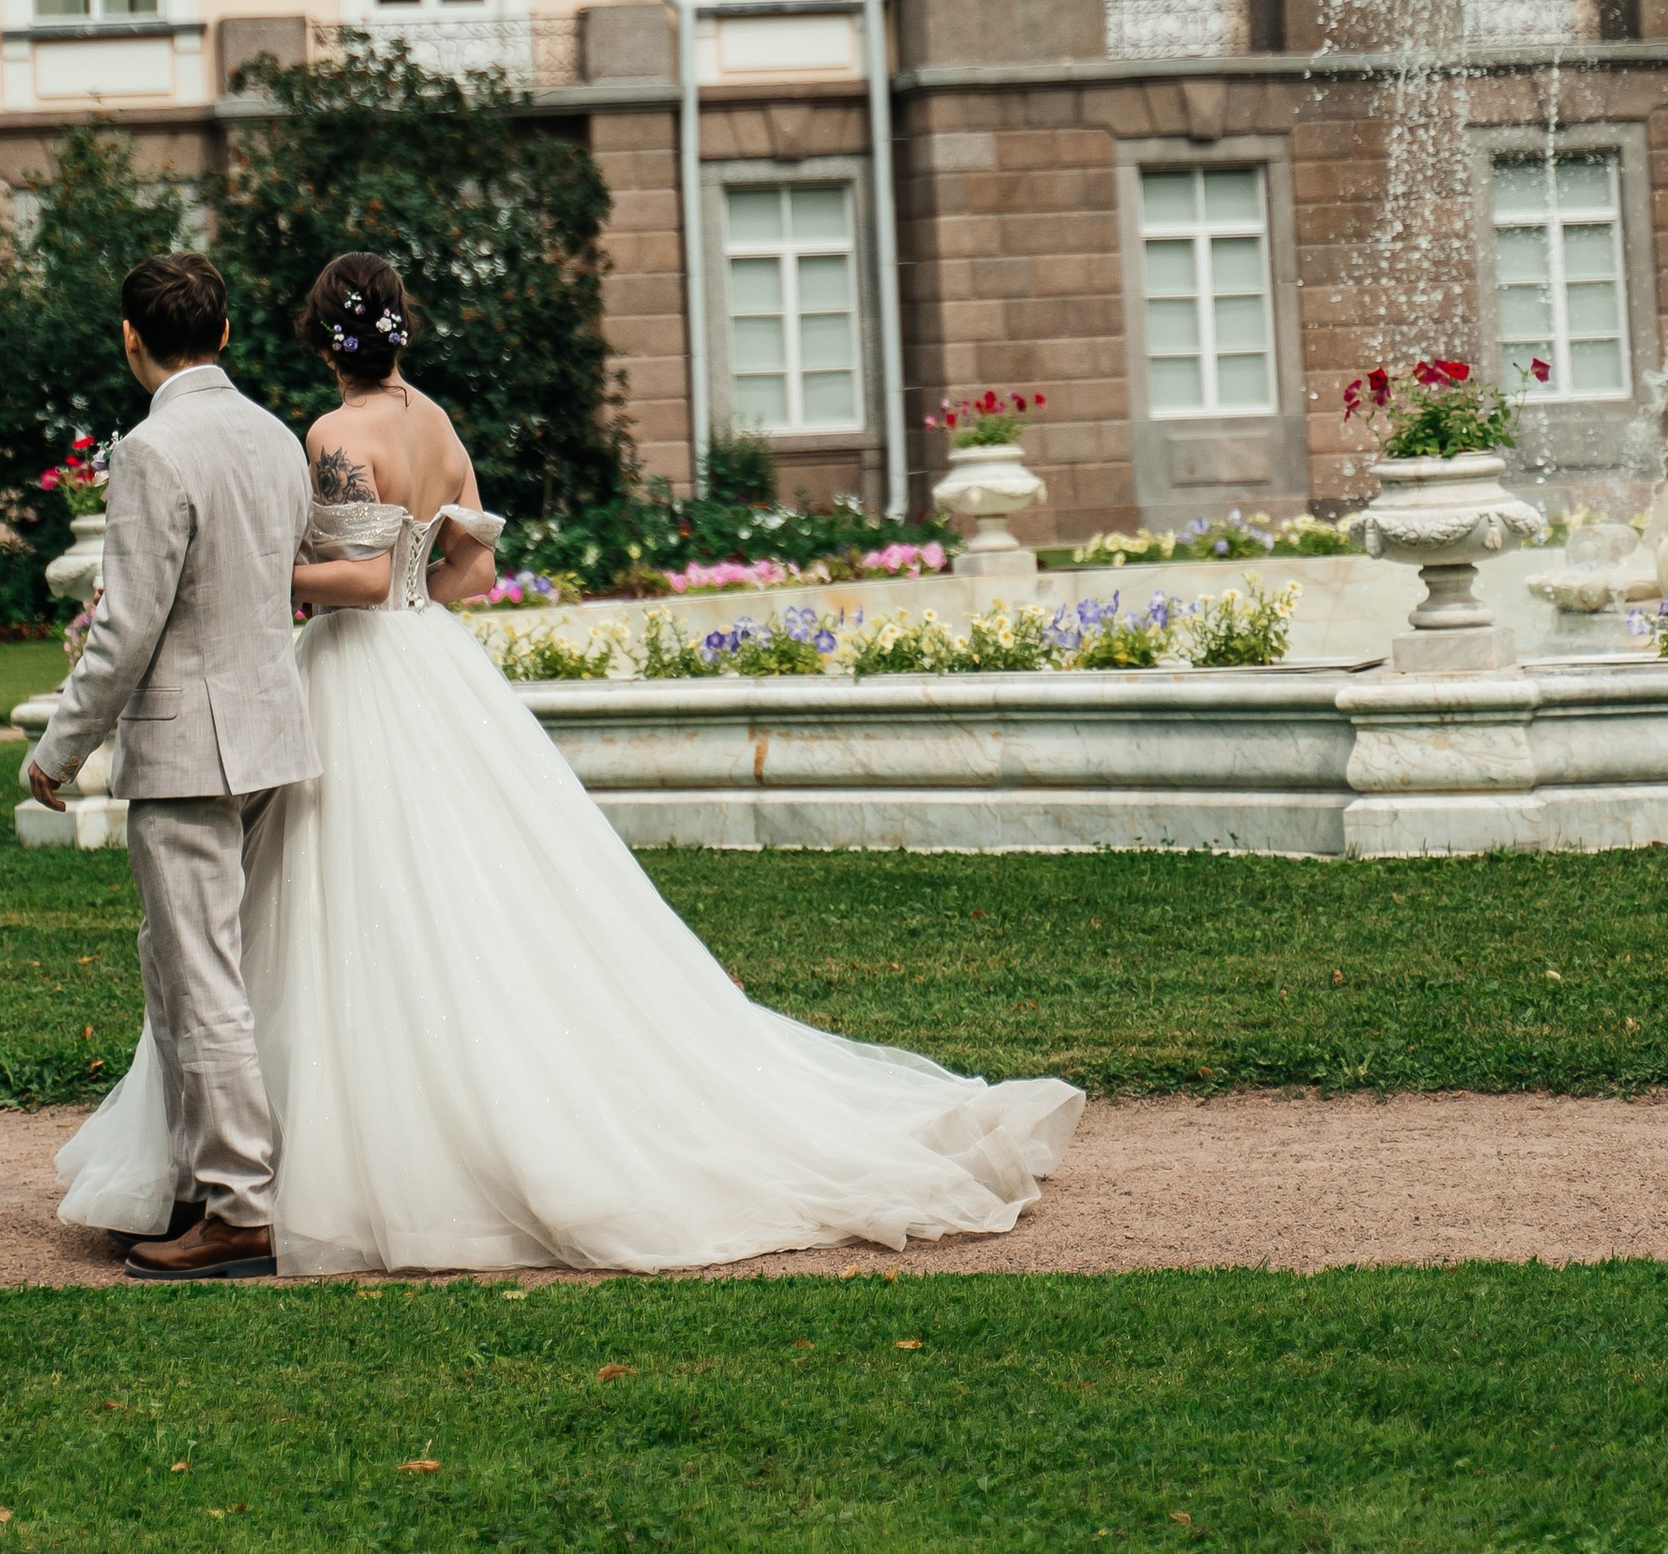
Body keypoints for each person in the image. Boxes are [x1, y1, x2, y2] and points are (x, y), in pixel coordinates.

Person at [57, 248, 1082, 1278]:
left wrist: (276, 573)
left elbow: (358, 578)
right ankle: (242, 1170)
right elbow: (472, 566)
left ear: (321, 342)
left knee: (324, 919)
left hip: (355, 669)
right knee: (460, 905)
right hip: (431, 664)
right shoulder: (435, 428)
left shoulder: (329, 433)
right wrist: (405, 584)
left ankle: (263, 1181)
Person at [26, 249, 317, 1283]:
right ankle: (196, 1182)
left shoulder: (152, 450)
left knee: (196, 978)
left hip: (191, 753)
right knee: (200, 968)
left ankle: (238, 1205)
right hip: (272, 735)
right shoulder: (277, 436)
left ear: (130, 338)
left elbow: (126, 627)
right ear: (227, 334)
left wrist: (59, 748)